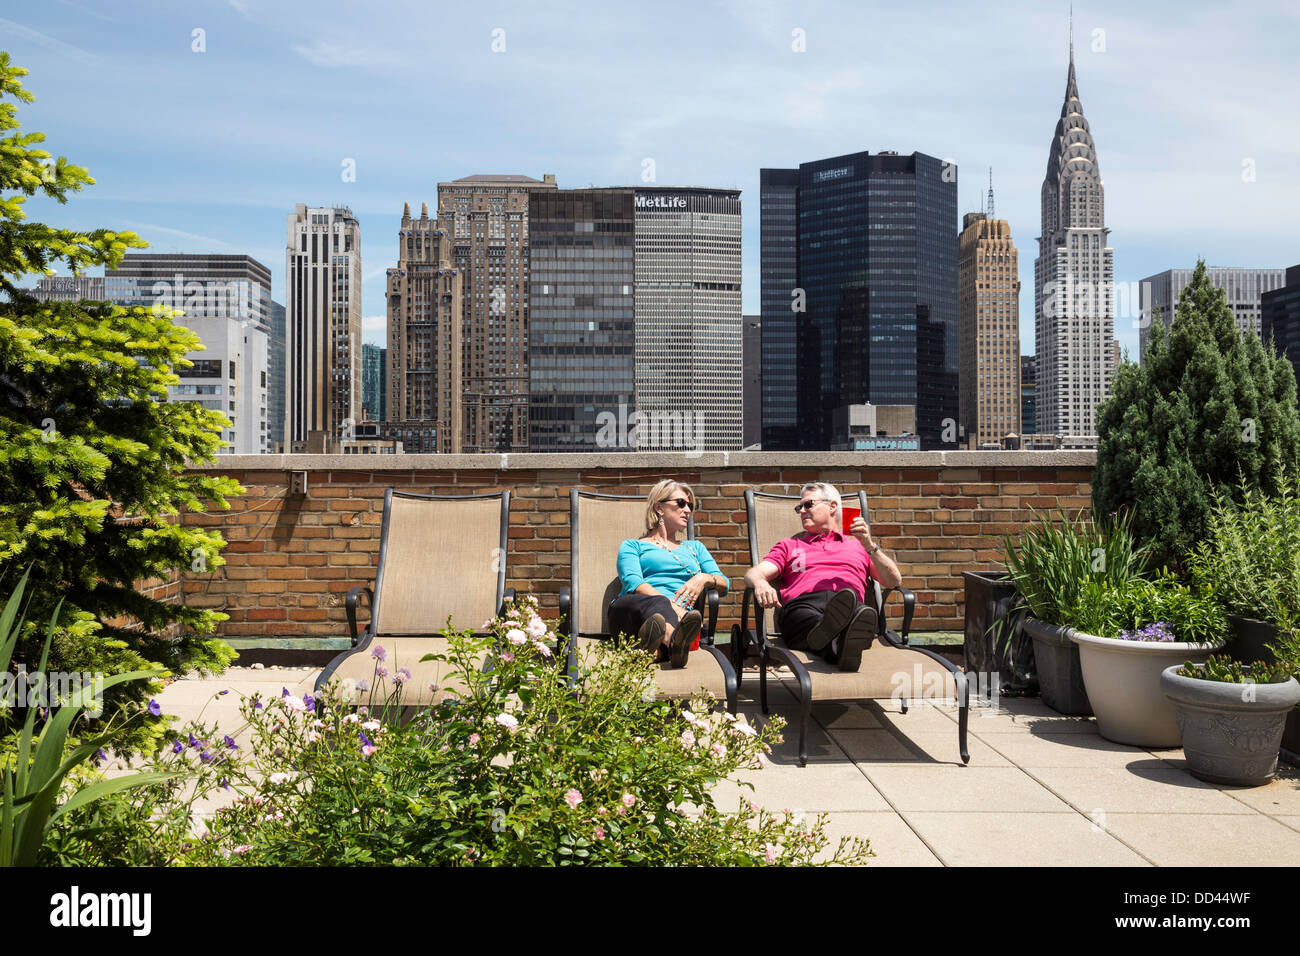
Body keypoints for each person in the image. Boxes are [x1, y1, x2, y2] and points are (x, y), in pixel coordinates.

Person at [743, 482, 903, 671]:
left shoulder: (860, 546)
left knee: (858, 615)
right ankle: (842, 644)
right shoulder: (790, 545)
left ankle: (836, 644)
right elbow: (755, 572)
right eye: (799, 508)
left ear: (832, 506)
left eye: (808, 504)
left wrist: (869, 545)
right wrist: (760, 583)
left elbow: (893, 581)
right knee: (811, 619)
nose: (802, 511)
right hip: (804, 606)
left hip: (849, 604)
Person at [609, 480, 729, 668]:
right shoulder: (633, 545)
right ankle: (675, 643)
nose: (687, 510)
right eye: (681, 503)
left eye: (690, 506)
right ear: (659, 508)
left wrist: (703, 578)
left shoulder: (695, 548)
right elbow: (634, 583)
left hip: (677, 620)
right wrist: (672, 606)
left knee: (660, 628)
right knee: (659, 603)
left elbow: (724, 584)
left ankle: (654, 651)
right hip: (631, 615)